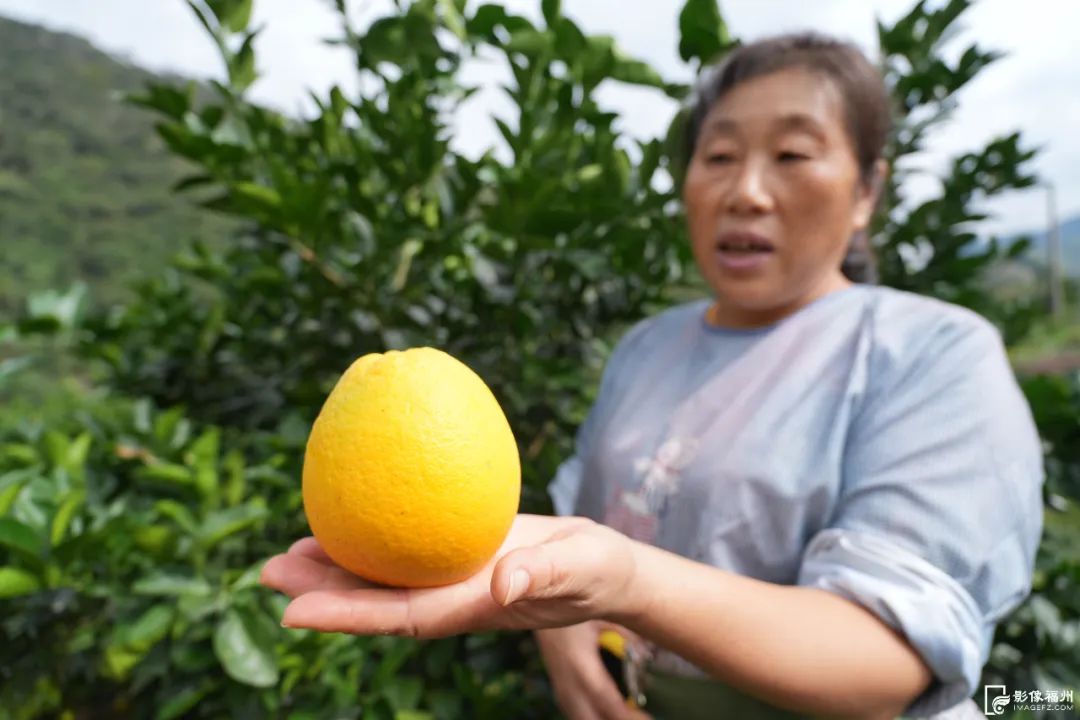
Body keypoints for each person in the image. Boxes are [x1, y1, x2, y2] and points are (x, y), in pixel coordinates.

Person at [260, 32, 1044, 720]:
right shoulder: (647, 347)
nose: (746, 192)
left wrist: (629, 584)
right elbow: (574, 527)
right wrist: (565, 644)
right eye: (720, 157)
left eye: (793, 155)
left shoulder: (933, 353)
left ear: (867, 190)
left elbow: (885, 665)